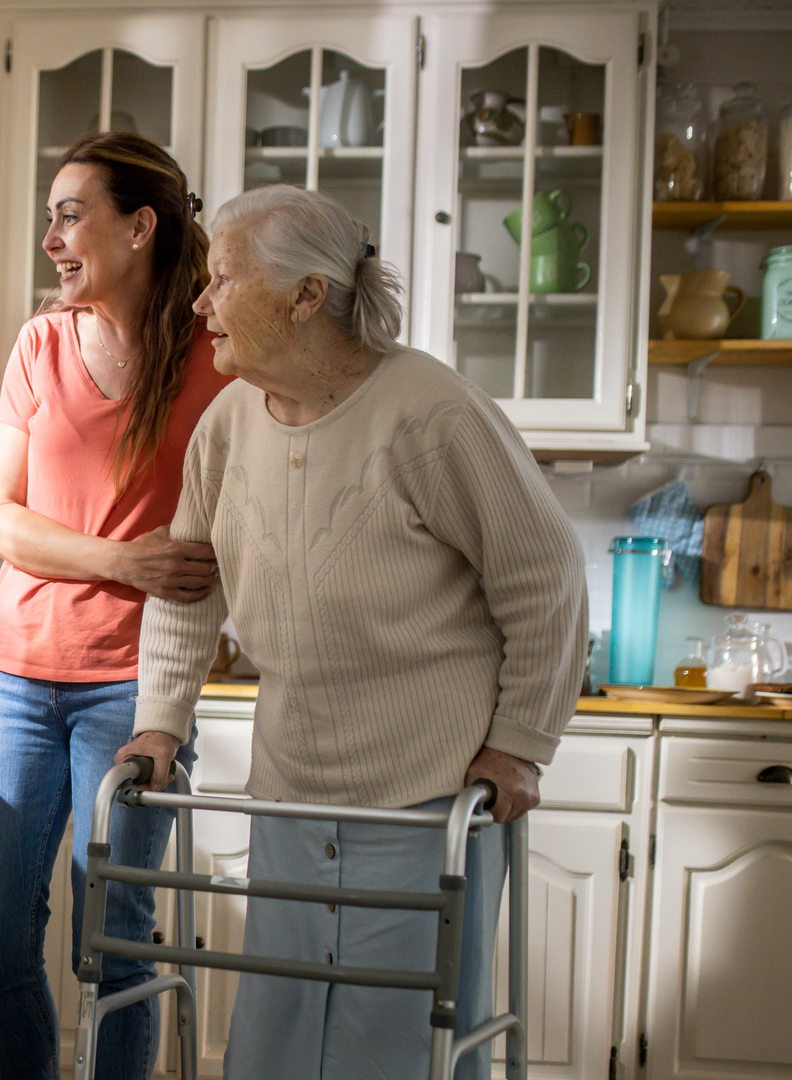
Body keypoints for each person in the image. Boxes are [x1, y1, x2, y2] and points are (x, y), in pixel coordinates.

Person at [122, 185, 588, 1080]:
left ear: (306, 295)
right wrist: (158, 723)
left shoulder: (431, 414)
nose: (200, 302)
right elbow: (187, 590)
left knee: (397, 1045)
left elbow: (547, 576)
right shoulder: (224, 427)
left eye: (223, 279)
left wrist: (522, 744)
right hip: (293, 792)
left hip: (426, 795)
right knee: (280, 1034)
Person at [0, 131, 235, 1080]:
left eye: (70, 214)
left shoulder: (218, 353)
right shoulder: (40, 344)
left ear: (140, 226)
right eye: (49, 215)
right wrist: (126, 559)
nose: (51, 238)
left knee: (116, 937)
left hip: (137, 686)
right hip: (14, 673)